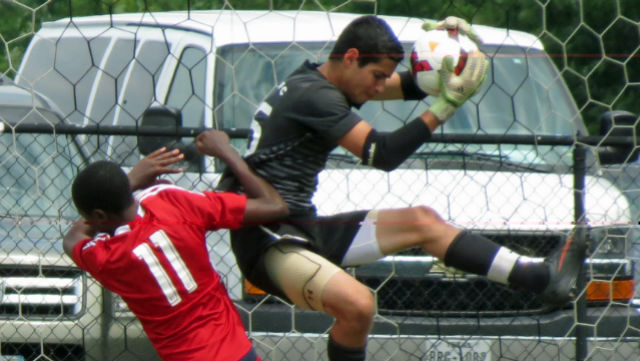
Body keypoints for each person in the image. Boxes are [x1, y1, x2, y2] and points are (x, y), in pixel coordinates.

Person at [219, 15, 586, 361]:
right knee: (359, 305)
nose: (381, 87)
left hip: (300, 227)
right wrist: (447, 106)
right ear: (351, 58)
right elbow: (383, 153)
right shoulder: (315, 96)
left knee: (424, 222)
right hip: (268, 240)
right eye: (377, 76)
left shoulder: (321, 79)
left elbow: (414, 84)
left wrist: (454, 52)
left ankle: (540, 277)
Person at [63, 130, 289, 361]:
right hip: (238, 353)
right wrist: (226, 152)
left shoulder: (106, 258)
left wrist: (130, 181)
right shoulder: (173, 202)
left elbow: (72, 238)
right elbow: (275, 206)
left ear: (99, 216)